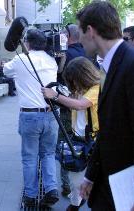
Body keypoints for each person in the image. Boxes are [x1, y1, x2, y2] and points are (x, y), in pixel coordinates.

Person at [77, 2, 134, 210]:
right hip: (108, 184)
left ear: (90, 31)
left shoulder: (131, 63)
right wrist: (90, 176)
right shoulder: (108, 65)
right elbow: (108, 128)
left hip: (126, 190)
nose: (79, 39)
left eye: (80, 32)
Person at [3, 29, 59, 208]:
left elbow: (6, 71)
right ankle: (51, 188)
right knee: (48, 154)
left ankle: (30, 194)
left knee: (29, 157)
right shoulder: (52, 61)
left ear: (27, 43)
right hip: (50, 114)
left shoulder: (21, 59)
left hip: (29, 115)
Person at [42, 56, 100, 211]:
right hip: (78, 139)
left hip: (93, 141)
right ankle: (77, 202)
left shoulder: (96, 89)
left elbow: (80, 105)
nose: (72, 84)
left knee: (80, 179)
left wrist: (55, 96)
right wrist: (56, 103)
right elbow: (72, 104)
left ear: (82, 76)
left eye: (74, 80)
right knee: (76, 177)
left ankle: (76, 204)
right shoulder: (80, 90)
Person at [58, 23, 87, 197]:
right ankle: (83, 183)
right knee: (83, 144)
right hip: (87, 107)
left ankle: (68, 186)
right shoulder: (90, 53)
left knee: (66, 145)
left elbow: (59, 74)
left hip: (69, 106)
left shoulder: (65, 55)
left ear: (68, 37)